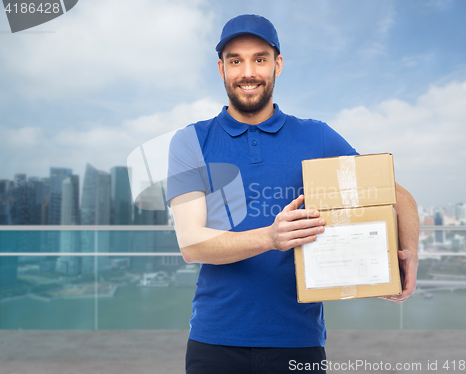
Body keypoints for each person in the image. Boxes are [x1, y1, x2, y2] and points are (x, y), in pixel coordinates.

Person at [167, 14, 419, 374]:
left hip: (298, 341)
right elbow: (191, 244)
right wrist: (271, 237)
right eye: (236, 60)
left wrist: (408, 257)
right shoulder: (191, 141)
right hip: (215, 341)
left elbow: (399, 196)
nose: (247, 71)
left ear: (277, 65)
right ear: (221, 68)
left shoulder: (316, 137)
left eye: (260, 59)